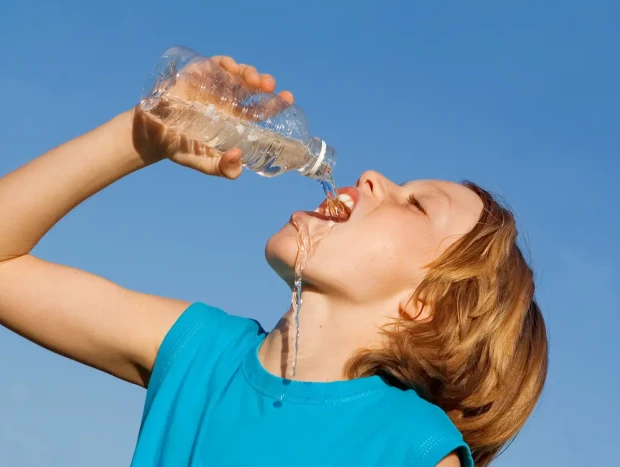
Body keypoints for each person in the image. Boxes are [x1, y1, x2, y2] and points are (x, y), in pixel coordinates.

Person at [0, 55, 547, 467]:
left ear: (424, 303)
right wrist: (144, 134)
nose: (374, 176)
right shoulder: (200, 352)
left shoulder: (409, 448)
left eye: (416, 204)